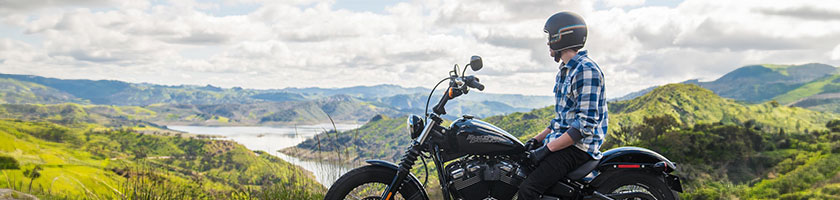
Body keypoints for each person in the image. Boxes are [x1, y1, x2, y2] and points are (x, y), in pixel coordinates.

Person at [517, 11, 609, 200]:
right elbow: (561, 119)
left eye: (550, 37)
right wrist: (536, 140)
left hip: (579, 148)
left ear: (561, 38)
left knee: (528, 190)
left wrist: (546, 149)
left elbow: (584, 126)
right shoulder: (565, 71)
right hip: (564, 142)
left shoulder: (586, 70)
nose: (548, 43)